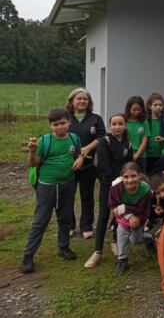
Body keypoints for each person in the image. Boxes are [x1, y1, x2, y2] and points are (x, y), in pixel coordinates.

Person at [20, 108, 84, 274]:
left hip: (67, 184)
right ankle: (28, 255)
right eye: (55, 124)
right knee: (41, 219)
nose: (60, 127)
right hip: (46, 185)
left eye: (63, 123)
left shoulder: (74, 138)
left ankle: (64, 247)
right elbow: (33, 164)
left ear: (69, 122)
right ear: (50, 126)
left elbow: (78, 154)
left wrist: (80, 158)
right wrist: (32, 151)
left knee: (65, 217)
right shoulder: (44, 141)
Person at [85, 113, 134, 268]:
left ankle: (115, 242)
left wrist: (126, 180)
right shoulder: (104, 141)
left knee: (119, 215)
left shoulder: (128, 144)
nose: (117, 127)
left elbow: (129, 165)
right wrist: (116, 180)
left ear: (125, 125)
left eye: (120, 124)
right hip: (108, 184)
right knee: (104, 215)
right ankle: (97, 251)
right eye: (114, 124)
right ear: (110, 125)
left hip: (123, 185)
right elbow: (103, 165)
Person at [66, 87, 106, 239]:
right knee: (68, 195)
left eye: (85, 99)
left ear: (89, 102)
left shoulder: (95, 119)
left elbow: (102, 136)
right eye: (79, 98)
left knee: (87, 195)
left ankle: (86, 226)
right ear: (72, 101)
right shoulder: (66, 118)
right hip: (70, 163)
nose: (82, 101)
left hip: (89, 164)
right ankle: (69, 226)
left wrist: (87, 149)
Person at [108, 162, 155, 274]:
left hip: (140, 217)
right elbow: (112, 206)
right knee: (121, 235)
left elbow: (141, 208)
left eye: (133, 176)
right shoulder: (115, 188)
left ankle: (150, 239)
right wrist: (128, 215)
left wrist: (123, 208)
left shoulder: (146, 191)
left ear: (139, 175)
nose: (130, 180)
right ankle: (122, 260)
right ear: (122, 177)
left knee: (135, 240)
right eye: (126, 177)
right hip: (123, 217)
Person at [145, 93, 164, 175]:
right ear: (149, 106)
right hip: (147, 155)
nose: (158, 107)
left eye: (160, 105)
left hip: (162, 155)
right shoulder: (145, 120)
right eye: (155, 105)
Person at [124, 96, 150, 172]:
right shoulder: (124, 122)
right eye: (134, 109)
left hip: (141, 156)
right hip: (126, 154)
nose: (137, 112)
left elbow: (144, 142)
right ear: (129, 109)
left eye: (139, 110)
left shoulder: (144, 123)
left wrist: (137, 155)